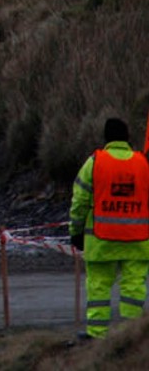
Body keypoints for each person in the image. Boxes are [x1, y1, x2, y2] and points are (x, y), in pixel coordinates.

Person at [68, 118, 149, 340]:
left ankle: (97, 335)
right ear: (128, 137)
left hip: (102, 240)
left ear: (106, 138)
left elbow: (80, 201)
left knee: (99, 289)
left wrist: (75, 231)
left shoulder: (95, 162)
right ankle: (132, 337)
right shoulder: (143, 163)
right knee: (133, 288)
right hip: (138, 240)